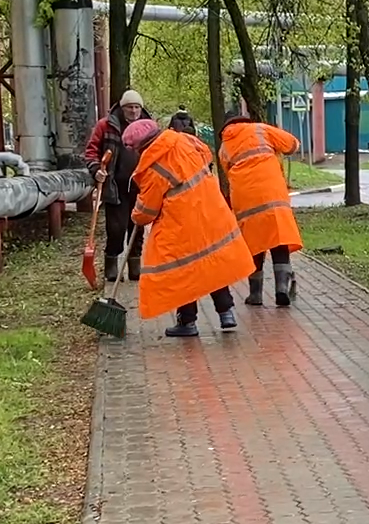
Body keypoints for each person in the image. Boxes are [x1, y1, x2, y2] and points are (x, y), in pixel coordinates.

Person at [124, 117, 256, 338]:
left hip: (181, 225)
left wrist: (136, 214)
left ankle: (187, 321)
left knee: (185, 271)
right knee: (212, 263)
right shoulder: (183, 140)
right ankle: (226, 313)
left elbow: (147, 210)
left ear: (139, 147)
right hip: (210, 210)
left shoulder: (152, 165)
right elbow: (206, 154)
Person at [218, 107, 304, 307]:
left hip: (245, 199)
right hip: (272, 193)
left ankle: (255, 294)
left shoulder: (223, 148)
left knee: (254, 243)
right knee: (279, 238)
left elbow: (228, 173)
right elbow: (292, 144)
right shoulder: (260, 129)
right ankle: (281, 288)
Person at [82, 90, 150, 282]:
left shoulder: (148, 127)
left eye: (137, 107)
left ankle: (134, 266)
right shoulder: (106, 125)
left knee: (137, 228)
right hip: (115, 186)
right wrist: (96, 169)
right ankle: (111, 265)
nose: (134, 111)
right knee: (116, 229)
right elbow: (91, 151)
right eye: (129, 107)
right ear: (122, 108)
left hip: (140, 186)